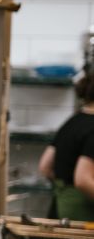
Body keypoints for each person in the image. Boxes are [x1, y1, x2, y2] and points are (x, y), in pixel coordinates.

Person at [38, 73, 94, 221]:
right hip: (83, 213)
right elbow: (82, 179)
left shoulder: (73, 121)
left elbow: (45, 166)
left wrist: (65, 190)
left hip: (60, 208)